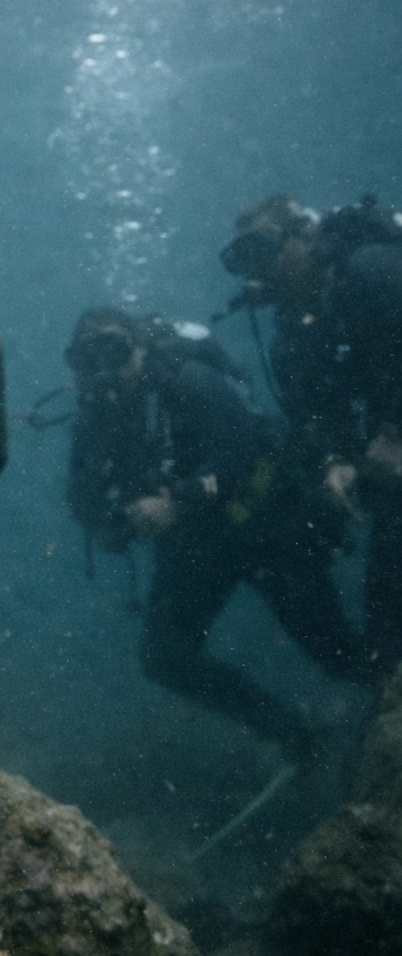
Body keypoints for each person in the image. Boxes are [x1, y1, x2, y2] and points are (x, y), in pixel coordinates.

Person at [65, 306, 376, 762]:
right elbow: (82, 495)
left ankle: (386, 692)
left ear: (139, 345)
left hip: (264, 523)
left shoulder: (186, 380)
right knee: (164, 656)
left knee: (336, 653)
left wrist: (177, 502)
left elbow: (240, 446)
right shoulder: (95, 419)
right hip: (192, 549)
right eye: (87, 360)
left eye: (114, 350)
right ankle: (289, 731)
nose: (105, 369)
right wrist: (108, 524)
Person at [220, 193, 402, 675]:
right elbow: (321, 417)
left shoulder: (369, 269)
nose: (258, 275)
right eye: (245, 264)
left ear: (305, 235)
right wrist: (336, 463)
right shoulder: (294, 337)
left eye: (263, 252)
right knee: (387, 633)